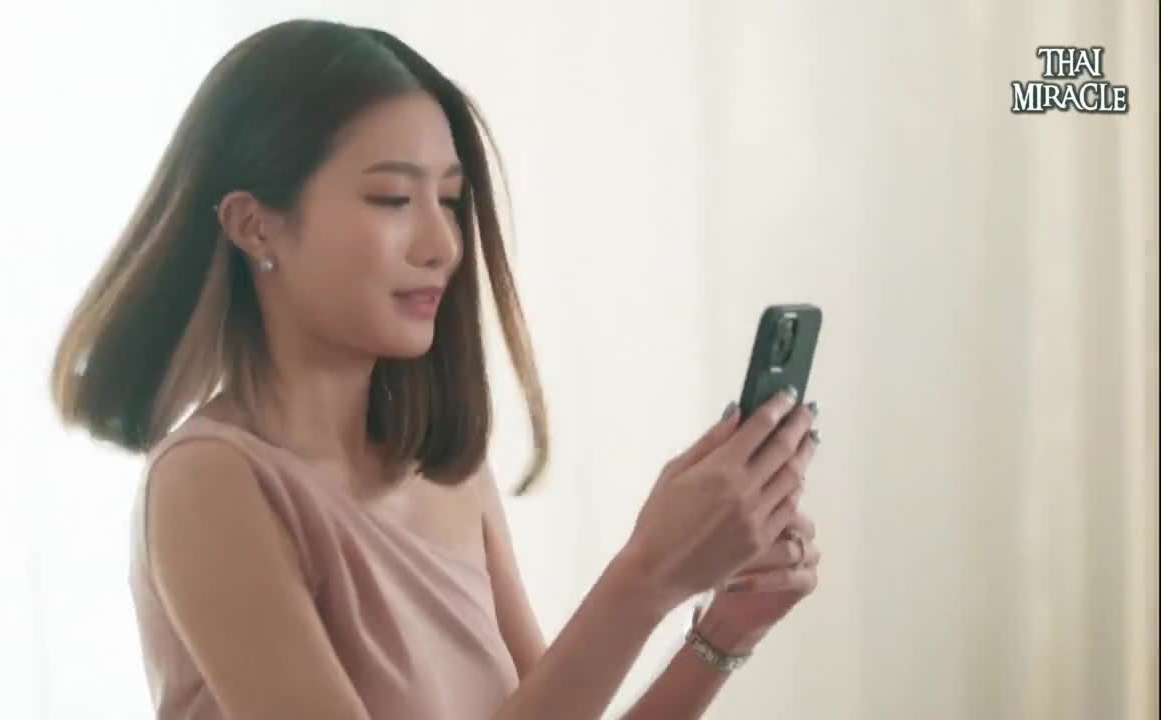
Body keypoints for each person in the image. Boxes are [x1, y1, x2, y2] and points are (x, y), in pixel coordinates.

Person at [49, 18, 822, 720]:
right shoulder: (209, 482)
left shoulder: (447, 472)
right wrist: (647, 575)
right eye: (392, 199)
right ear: (254, 225)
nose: (443, 245)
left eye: (449, 201)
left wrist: (724, 632)